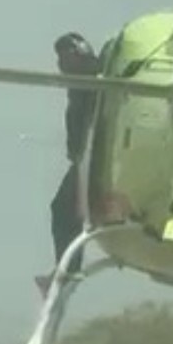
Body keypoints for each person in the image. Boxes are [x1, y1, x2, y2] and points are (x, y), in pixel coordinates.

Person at [47, 32, 104, 277]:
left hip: (95, 159)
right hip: (87, 158)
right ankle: (67, 266)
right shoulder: (83, 83)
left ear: (78, 53)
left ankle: (68, 268)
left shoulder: (93, 81)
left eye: (64, 58)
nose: (61, 66)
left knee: (63, 208)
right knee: (66, 209)